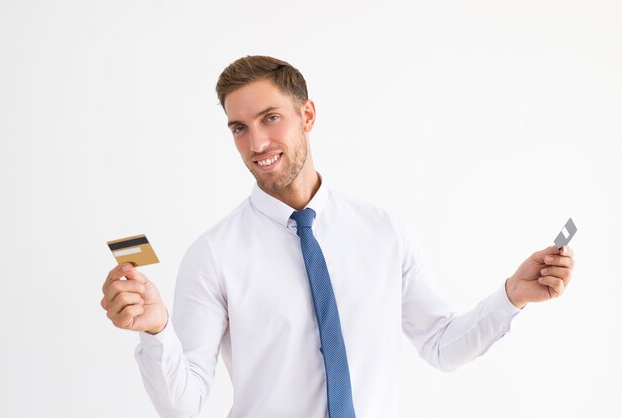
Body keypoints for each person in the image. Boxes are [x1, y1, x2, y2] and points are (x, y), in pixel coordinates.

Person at [101, 55, 575, 418]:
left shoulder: (383, 231)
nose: (257, 144)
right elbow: (186, 403)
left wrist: (512, 296)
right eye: (239, 128)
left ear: (307, 115)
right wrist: (156, 332)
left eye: (270, 118)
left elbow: (441, 346)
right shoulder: (213, 255)